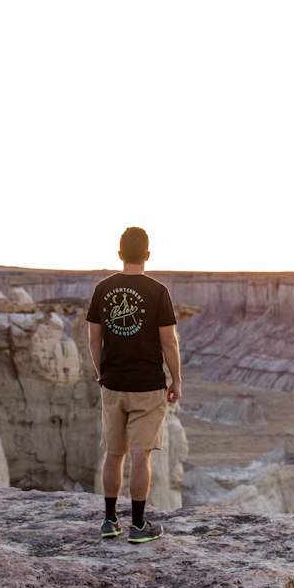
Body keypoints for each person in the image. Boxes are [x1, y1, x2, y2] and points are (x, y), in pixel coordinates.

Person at [86, 226, 182, 543]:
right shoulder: (158, 292)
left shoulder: (103, 289)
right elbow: (169, 343)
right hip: (148, 387)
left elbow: (93, 338)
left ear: (119, 254)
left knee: (114, 454)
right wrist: (176, 380)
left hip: (112, 385)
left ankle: (109, 521)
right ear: (148, 255)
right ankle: (138, 526)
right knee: (141, 455)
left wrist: (102, 373)